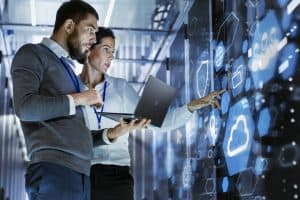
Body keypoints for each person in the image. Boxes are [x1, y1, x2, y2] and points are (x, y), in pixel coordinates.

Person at [11, 1, 148, 200]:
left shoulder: (69, 73)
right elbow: (25, 107)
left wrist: (110, 134)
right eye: (90, 30)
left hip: (81, 176)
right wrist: (79, 98)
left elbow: (76, 132)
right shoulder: (32, 53)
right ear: (68, 26)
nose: (93, 40)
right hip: (55, 171)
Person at [80, 27, 224, 200]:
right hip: (80, 175)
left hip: (116, 176)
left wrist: (192, 106)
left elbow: (161, 122)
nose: (111, 56)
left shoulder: (121, 87)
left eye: (113, 52)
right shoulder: (70, 89)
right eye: (106, 49)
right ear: (89, 48)